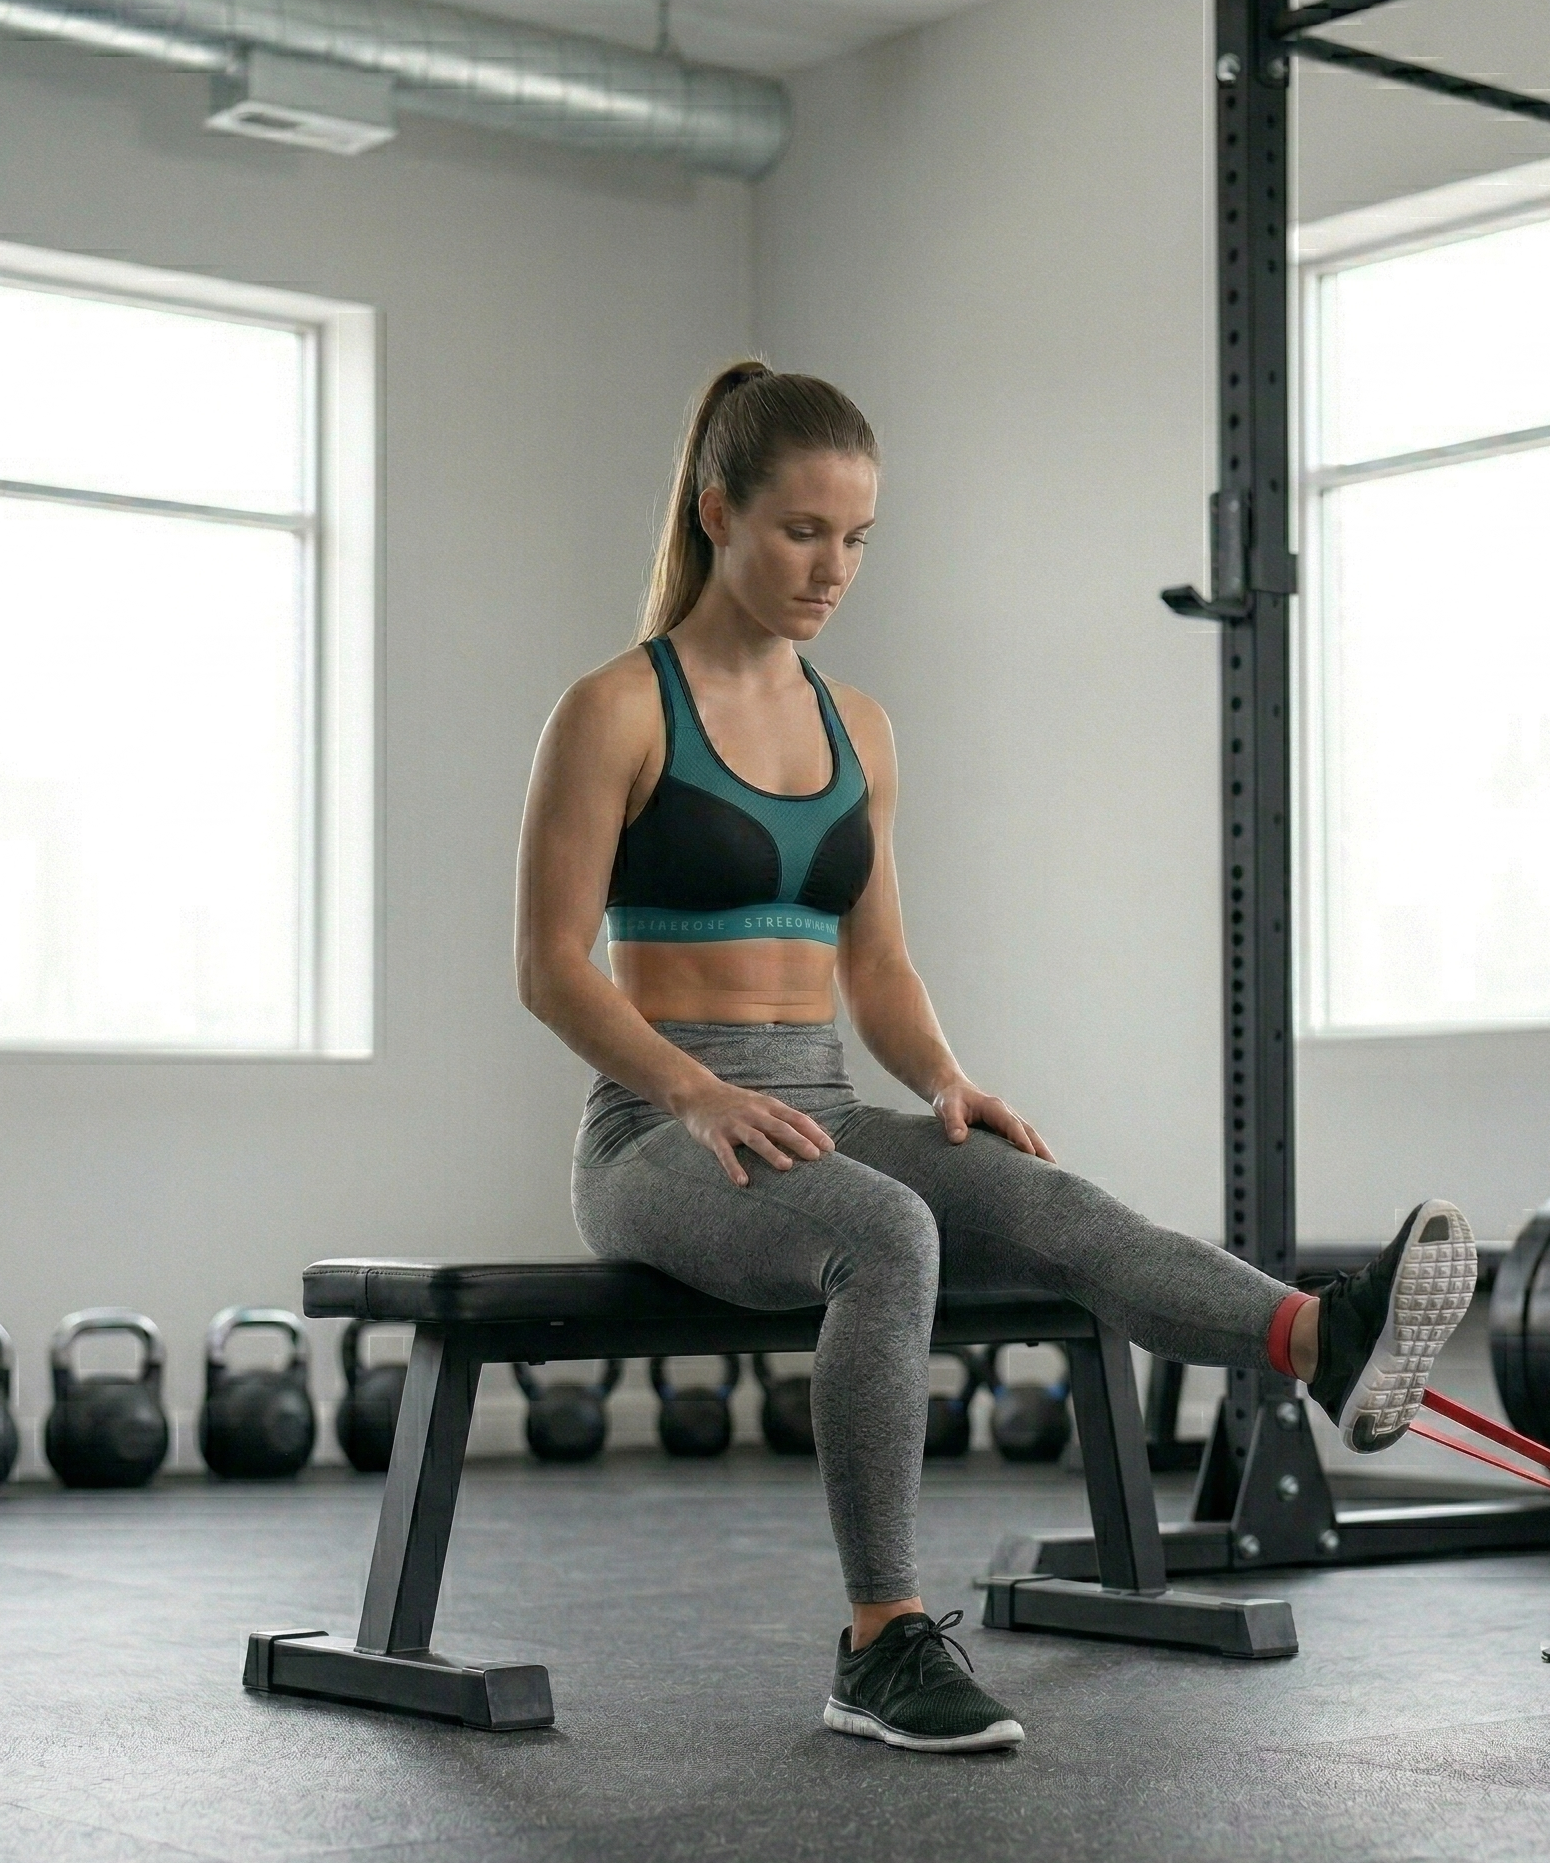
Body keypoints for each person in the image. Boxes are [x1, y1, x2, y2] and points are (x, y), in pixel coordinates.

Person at [515, 360, 1477, 1755]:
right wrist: (693, 1086)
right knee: (886, 1231)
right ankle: (880, 1639)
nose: (832, 566)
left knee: (1037, 1195)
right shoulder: (617, 707)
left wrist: (945, 1081)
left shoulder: (860, 728)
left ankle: (1315, 1340)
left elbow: (878, 965)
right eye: (801, 531)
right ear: (718, 512)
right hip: (657, 1136)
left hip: (823, 1107)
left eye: (855, 538)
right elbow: (548, 966)